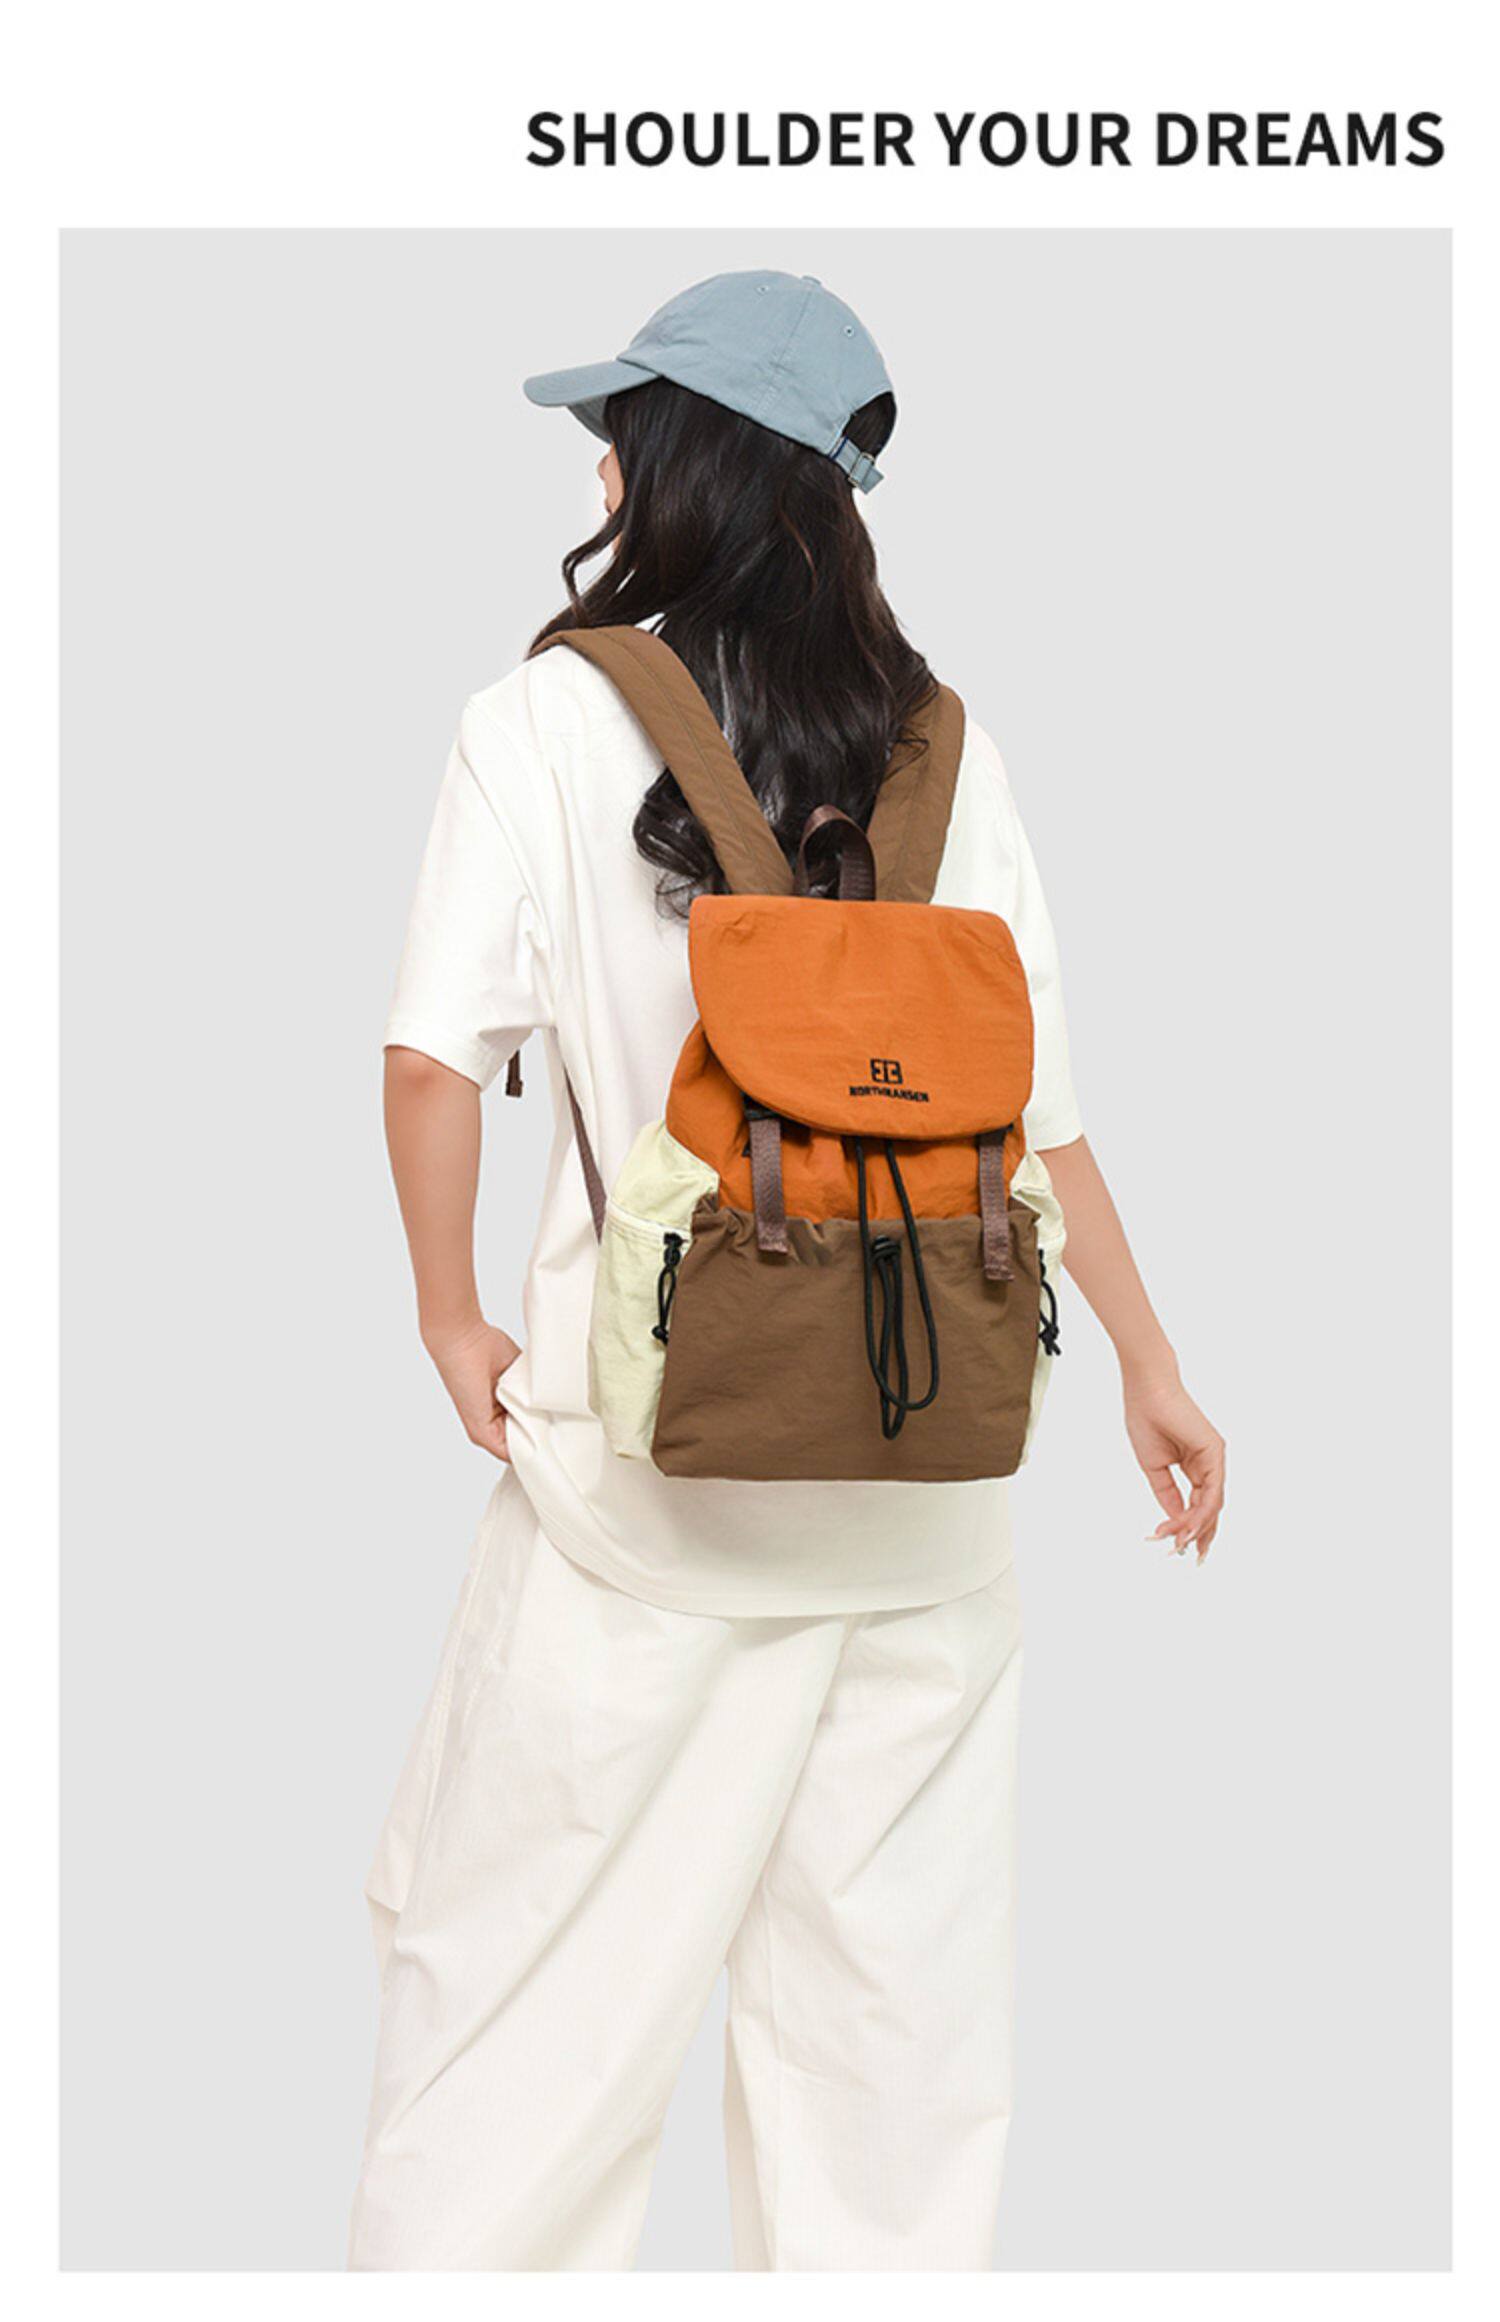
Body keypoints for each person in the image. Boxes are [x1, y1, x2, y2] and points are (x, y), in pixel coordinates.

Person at [348, 270, 1225, 2273]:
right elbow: (1039, 1117)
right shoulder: (946, 749)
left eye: (623, 430)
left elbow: (428, 1059)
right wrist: (1151, 1369)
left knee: (512, 2035)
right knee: (890, 2083)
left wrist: (450, 1313)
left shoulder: (543, 721)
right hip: (926, 1505)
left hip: (644, 1493)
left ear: (684, 463)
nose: (600, 463)